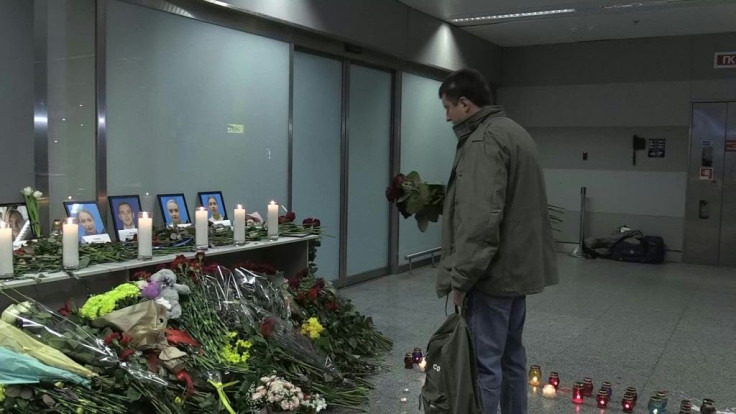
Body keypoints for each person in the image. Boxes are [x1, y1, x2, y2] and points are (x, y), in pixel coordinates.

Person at [436, 68, 558, 414]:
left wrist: (461, 279)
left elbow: (480, 221)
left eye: (448, 108)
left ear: (465, 104)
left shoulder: (483, 141)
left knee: (483, 365)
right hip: (516, 271)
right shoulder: (515, 132)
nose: (446, 116)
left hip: (492, 276)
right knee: (512, 359)